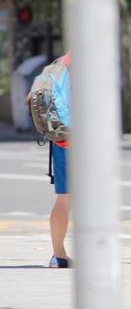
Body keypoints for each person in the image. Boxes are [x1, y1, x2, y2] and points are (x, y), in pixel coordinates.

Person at [27, 52, 72, 268]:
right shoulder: (87, 61)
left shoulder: (58, 64)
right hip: (80, 140)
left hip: (60, 137)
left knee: (64, 199)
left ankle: (58, 254)